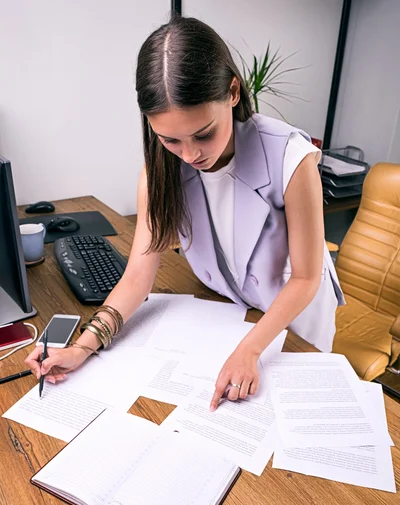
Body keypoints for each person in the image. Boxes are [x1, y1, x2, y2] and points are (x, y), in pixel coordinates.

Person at [26, 16, 344, 411]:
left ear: (232, 92)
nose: (191, 154)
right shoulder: (160, 172)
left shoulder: (291, 158)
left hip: (293, 323)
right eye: (170, 139)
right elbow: (137, 278)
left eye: (204, 133)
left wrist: (250, 350)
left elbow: (307, 276)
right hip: (232, 314)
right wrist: (83, 348)